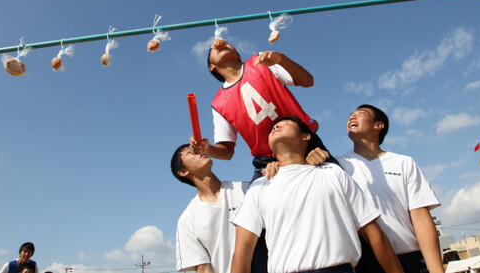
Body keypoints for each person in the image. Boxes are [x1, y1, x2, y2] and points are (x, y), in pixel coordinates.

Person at [230, 116, 403, 273]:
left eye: (285, 124)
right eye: (273, 128)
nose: (276, 127)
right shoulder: (260, 186)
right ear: (271, 150)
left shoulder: (333, 173)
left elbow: (373, 232)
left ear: (306, 137)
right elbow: (243, 250)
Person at [309, 104, 443, 273]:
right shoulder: (338, 166)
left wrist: (436, 269)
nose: (352, 117)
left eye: (360, 114)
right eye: (350, 116)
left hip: (409, 258)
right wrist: (312, 159)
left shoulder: (403, 162)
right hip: (366, 263)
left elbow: (420, 217)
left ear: (378, 126)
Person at [193, 42, 336, 181]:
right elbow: (227, 150)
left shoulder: (261, 61)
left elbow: (308, 81)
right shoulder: (218, 103)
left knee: (336, 182)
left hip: (304, 144)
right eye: (212, 48)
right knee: (256, 202)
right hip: (267, 161)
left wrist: (281, 59)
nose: (220, 44)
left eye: (228, 44)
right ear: (212, 67)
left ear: (237, 54)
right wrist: (207, 149)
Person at [172, 139, 249, 273]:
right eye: (191, 152)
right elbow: (203, 269)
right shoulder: (187, 221)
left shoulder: (247, 190)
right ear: (183, 171)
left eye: (199, 148)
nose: (199, 152)